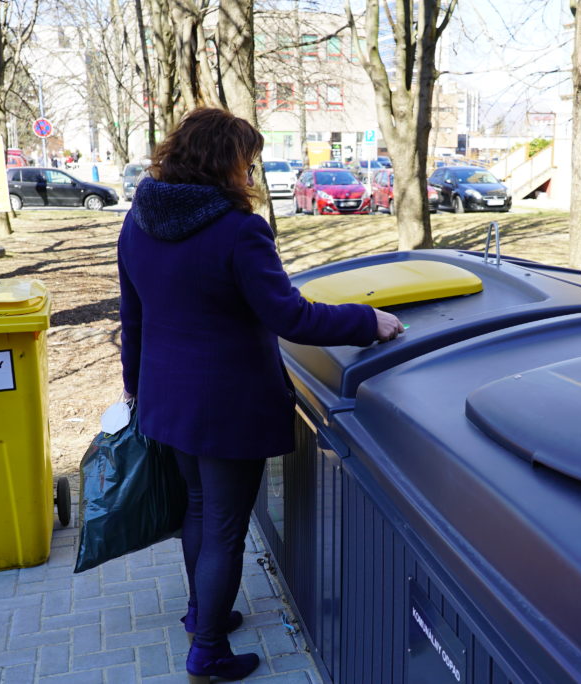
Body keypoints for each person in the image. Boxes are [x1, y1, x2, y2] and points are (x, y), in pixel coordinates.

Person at [117, 107, 403, 682]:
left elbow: (134, 318)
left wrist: (135, 391)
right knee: (225, 524)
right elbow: (288, 315)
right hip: (228, 405)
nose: (251, 173)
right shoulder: (238, 229)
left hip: (166, 397)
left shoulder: (138, 220)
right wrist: (365, 321)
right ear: (222, 163)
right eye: (247, 161)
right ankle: (209, 651)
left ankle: (204, 613)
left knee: (199, 510)